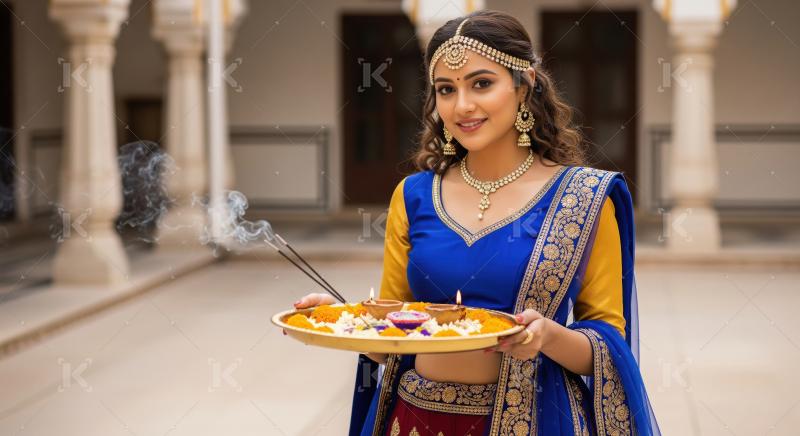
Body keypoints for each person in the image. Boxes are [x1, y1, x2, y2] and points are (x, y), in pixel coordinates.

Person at [293, 10, 660, 436]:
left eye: (481, 84)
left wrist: (548, 337)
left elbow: (608, 349)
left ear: (525, 87)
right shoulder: (413, 196)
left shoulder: (585, 198)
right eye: (445, 90)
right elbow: (391, 336)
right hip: (414, 420)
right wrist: (337, 320)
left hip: (539, 421)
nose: (462, 106)